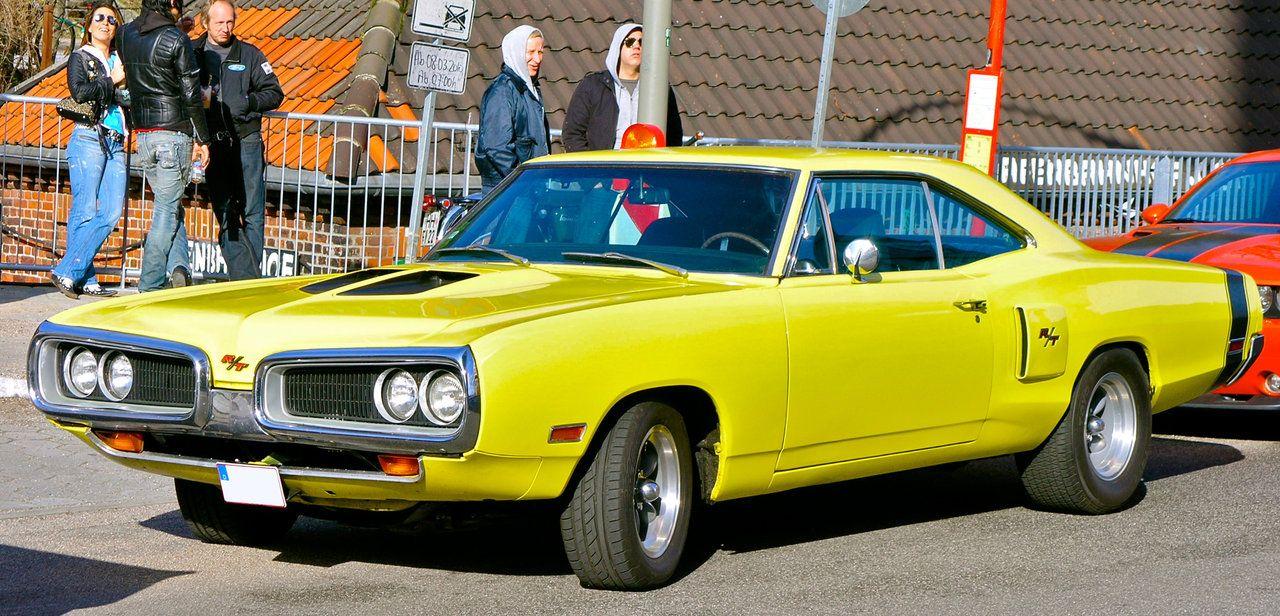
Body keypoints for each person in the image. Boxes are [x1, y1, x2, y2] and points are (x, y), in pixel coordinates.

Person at [117, 0, 210, 292]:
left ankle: (178, 267)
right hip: (174, 133)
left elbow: (145, 61)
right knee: (165, 213)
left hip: (144, 135)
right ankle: (150, 284)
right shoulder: (176, 39)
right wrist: (203, 139)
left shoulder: (124, 34)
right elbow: (191, 94)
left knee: (169, 207)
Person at [195, 0, 283, 281]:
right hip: (212, 143)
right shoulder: (193, 53)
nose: (225, 28)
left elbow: (274, 93)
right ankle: (248, 279)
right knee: (226, 213)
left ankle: (247, 282)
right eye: (219, 22)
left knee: (252, 212)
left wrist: (247, 101)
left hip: (246, 141)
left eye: (230, 22)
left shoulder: (250, 54)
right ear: (205, 23)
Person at [49, 0, 129, 299]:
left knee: (111, 212)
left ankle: (72, 272)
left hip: (117, 140)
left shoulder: (122, 60)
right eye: (100, 18)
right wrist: (113, 81)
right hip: (89, 137)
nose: (106, 23)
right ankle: (80, 274)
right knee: (85, 210)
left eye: (111, 19)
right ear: (89, 26)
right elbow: (80, 92)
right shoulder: (81, 57)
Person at [562, 23, 683, 152]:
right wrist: (591, 163)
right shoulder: (593, 85)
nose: (636, 46)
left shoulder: (660, 89)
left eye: (642, 42)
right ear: (618, 47)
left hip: (646, 163)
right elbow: (572, 134)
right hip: (604, 163)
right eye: (630, 42)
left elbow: (674, 136)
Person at [475, 25, 549, 192]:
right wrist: (522, 179)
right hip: (507, 189)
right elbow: (496, 147)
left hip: (525, 186)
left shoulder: (530, 89)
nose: (537, 59)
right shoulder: (502, 91)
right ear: (516, 52)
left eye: (540, 52)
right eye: (530, 52)